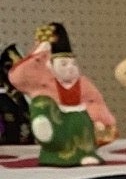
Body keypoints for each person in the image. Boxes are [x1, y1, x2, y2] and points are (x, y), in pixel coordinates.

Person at [7, 23, 117, 156]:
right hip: (56, 131)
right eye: (63, 64)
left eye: (73, 63)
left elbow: (96, 103)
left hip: (81, 133)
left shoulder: (83, 84)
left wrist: (99, 120)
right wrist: (40, 52)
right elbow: (18, 77)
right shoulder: (42, 84)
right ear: (50, 66)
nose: (70, 68)